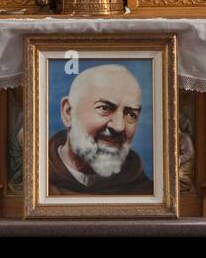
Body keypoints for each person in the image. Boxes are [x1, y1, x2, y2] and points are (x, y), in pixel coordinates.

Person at [48, 64, 154, 196]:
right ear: (68, 112)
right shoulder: (37, 180)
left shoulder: (145, 192)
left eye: (131, 114)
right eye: (104, 108)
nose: (119, 126)